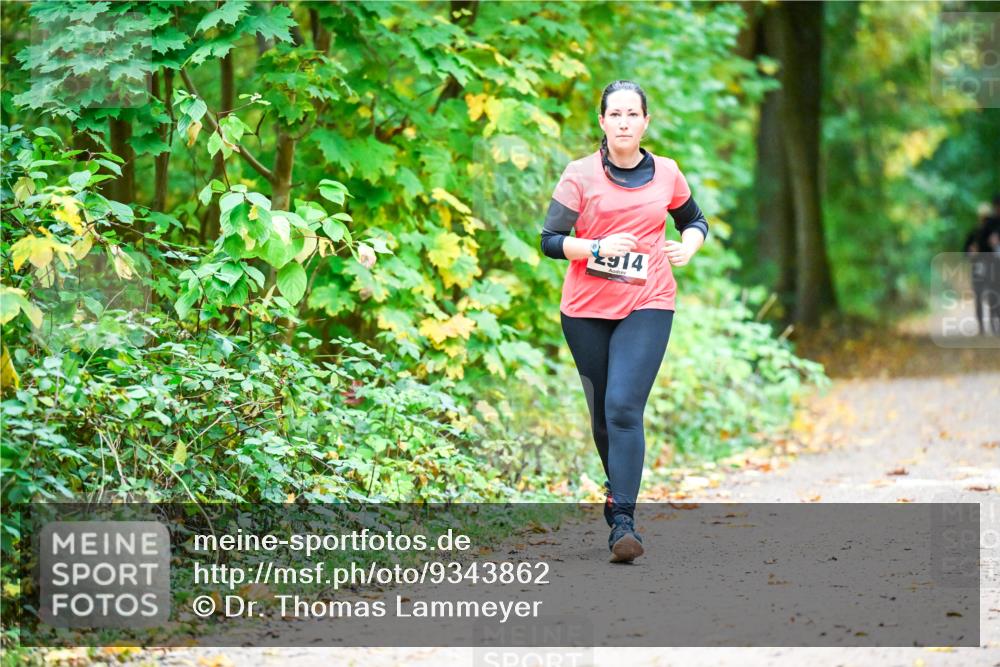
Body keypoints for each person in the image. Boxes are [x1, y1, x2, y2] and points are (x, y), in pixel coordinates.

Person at [539, 80, 708, 563]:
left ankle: (623, 524)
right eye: (615, 114)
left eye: (633, 114)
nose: (624, 122)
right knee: (601, 418)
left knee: (623, 407)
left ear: (646, 121)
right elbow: (550, 240)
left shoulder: (668, 174)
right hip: (585, 310)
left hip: (648, 300)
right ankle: (618, 490)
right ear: (602, 122)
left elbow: (695, 220)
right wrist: (593, 247)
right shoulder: (580, 175)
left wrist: (689, 246)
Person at [964, 203, 994, 335]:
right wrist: (970, 252)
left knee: (993, 296)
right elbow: (965, 252)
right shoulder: (974, 233)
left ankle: (994, 324)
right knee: (980, 296)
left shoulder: (994, 233)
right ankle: (981, 326)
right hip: (978, 268)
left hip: (992, 268)